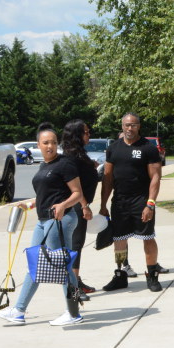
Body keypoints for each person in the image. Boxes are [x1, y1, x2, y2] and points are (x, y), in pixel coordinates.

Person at [0, 123, 85, 326]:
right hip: (43, 221)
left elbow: (77, 194)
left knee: (62, 266)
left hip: (61, 220)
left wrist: (63, 205)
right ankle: (19, 311)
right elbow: (46, 194)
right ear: (38, 145)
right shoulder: (44, 166)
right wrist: (30, 204)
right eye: (46, 143)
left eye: (53, 142)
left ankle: (73, 313)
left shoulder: (65, 164)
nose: (50, 146)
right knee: (34, 264)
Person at [100, 113, 165, 292]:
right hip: (120, 202)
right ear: (122, 126)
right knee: (119, 239)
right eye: (127, 125)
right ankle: (120, 275)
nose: (130, 128)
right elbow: (107, 179)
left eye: (133, 125)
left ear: (139, 126)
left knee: (148, 238)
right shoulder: (113, 148)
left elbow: (156, 177)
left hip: (141, 202)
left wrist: (150, 204)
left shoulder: (148, 148)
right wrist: (103, 205)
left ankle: (152, 275)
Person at [61, 119, 99, 296]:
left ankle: (76, 281)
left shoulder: (78, 155)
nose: (88, 134)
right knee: (75, 245)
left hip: (80, 204)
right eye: (86, 132)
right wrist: (84, 206)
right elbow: (75, 187)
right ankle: (74, 287)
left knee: (77, 245)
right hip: (76, 206)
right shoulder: (71, 158)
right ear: (77, 135)